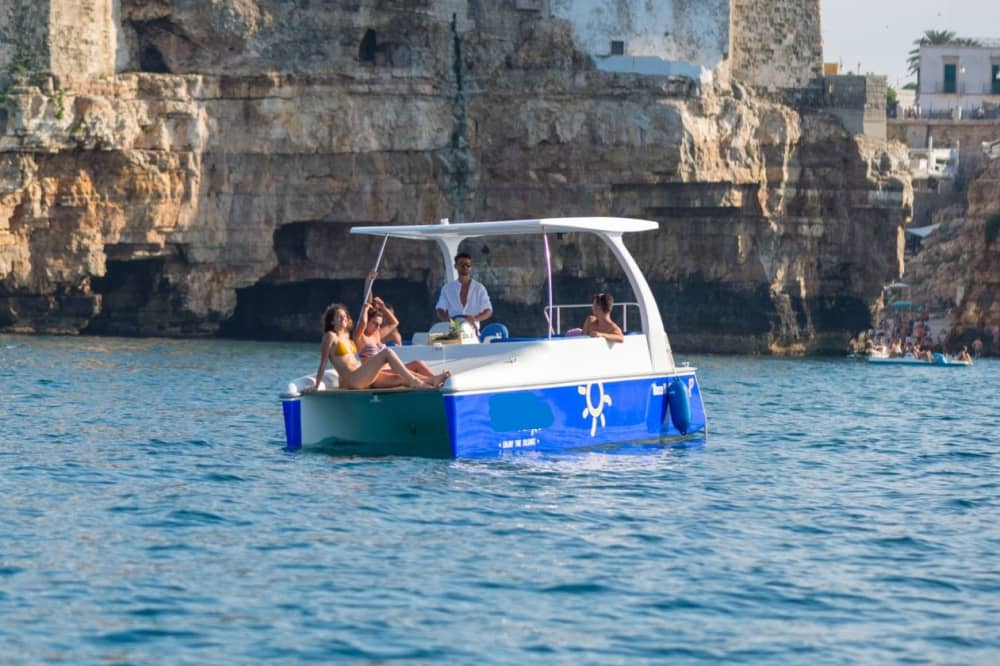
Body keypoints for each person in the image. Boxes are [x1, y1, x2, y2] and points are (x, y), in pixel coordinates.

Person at [302, 303, 449, 393]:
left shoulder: (346, 336)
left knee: (399, 378)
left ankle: (433, 380)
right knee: (387, 352)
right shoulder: (330, 336)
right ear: (332, 320)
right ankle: (416, 382)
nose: (344, 319)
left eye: (345, 317)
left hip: (363, 375)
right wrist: (316, 385)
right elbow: (323, 362)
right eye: (339, 317)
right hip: (354, 380)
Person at [354, 297, 437, 382]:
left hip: (388, 370)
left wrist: (383, 307)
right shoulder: (360, 338)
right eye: (375, 324)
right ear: (368, 321)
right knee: (408, 374)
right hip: (376, 375)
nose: (378, 327)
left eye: (379, 324)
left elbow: (395, 322)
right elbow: (363, 322)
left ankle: (439, 382)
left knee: (418, 363)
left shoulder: (377, 335)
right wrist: (365, 309)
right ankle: (433, 380)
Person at [435, 252, 492, 329]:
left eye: (468, 265)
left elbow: (488, 311)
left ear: (471, 267)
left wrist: (475, 319)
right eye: (461, 264)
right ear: (455, 266)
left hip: (472, 331)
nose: (465, 267)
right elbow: (440, 309)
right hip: (453, 329)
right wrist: (448, 320)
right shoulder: (447, 288)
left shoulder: (479, 288)